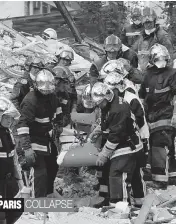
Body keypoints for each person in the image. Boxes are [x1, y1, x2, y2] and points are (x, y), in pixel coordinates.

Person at [90, 82, 145, 206]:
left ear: (106, 98)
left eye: (100, 103)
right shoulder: (111, 104)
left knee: (118, 174)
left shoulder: (118, 109)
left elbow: (116, 135)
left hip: (126, 147)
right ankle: (139, 202)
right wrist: (98, 130)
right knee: (135, 176)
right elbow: (109, 122)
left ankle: (120, 206)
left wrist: (104, 154)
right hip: (131, 143)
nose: (99, 106)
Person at [16, 69, 63, 197]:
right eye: (44, 90)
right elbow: (22, 125)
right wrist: (27, 149)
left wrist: (58, 127)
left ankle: (47, 196)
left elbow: (58, 115)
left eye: (49, 89)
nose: (46, 92)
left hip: (46, 139)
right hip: (32, 139)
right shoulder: (30, 100)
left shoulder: (53, 98)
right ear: (36, 86)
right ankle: (37, 201)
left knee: (53, 166)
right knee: (40, 172)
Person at [139, 43, 176, 189]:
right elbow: (142, 95)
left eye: (164, 59)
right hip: (151, 116)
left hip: (166, 113)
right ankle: (172, 177)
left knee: (160, 145)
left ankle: (160, 180)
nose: (161, 62)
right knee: (165, 146)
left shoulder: (172, 74)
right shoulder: (148, 75)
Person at [0, 97, 22, 224]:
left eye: (10, 118)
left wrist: (19, 181)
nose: (9, 121)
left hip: (9, 181)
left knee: (16, 209)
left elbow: (14, 159)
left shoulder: (8, 133)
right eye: (6, 117)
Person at [132, 7, 174, 72]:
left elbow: (169, 56)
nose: (148, 25)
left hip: (158, 73)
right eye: (146, 23)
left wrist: (167, 74)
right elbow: (134, 51)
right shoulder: (141, 35)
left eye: (150, 22)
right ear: (143, 23)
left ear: (154, 21)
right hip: (144, 73)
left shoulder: (161, 35)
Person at [54, 47, 77, 114]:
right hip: (57, 107)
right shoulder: (55, 72)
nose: (65, 62)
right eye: (64, 59)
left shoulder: (69, 73)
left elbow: (73, 92)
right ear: (59, 58)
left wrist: (74, 107)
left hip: (68, 106)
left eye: (68, 60)